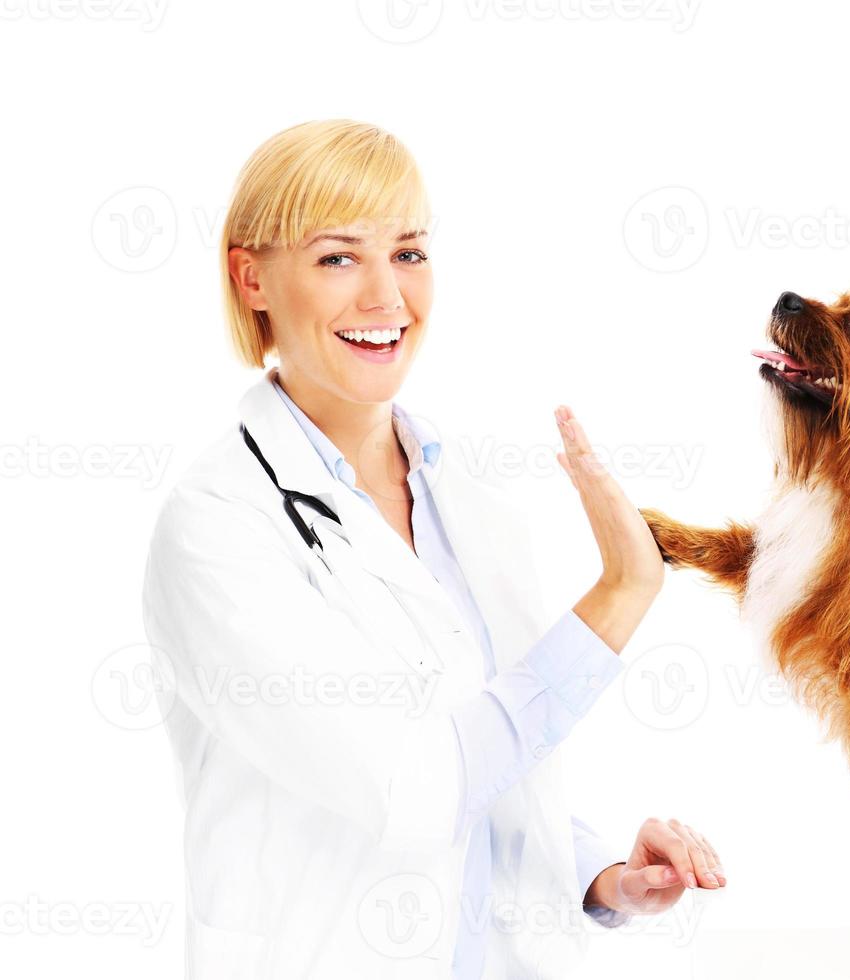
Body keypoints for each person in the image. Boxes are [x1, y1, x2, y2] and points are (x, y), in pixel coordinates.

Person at [140, 119, 724, 979]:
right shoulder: (217, 525)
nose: (388, 299)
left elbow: (496, 756)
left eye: (408, 253)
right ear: (251, 275)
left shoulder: (466, 500)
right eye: (339, 257)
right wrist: (620, 595)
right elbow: (412, 789)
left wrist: (603, 876)